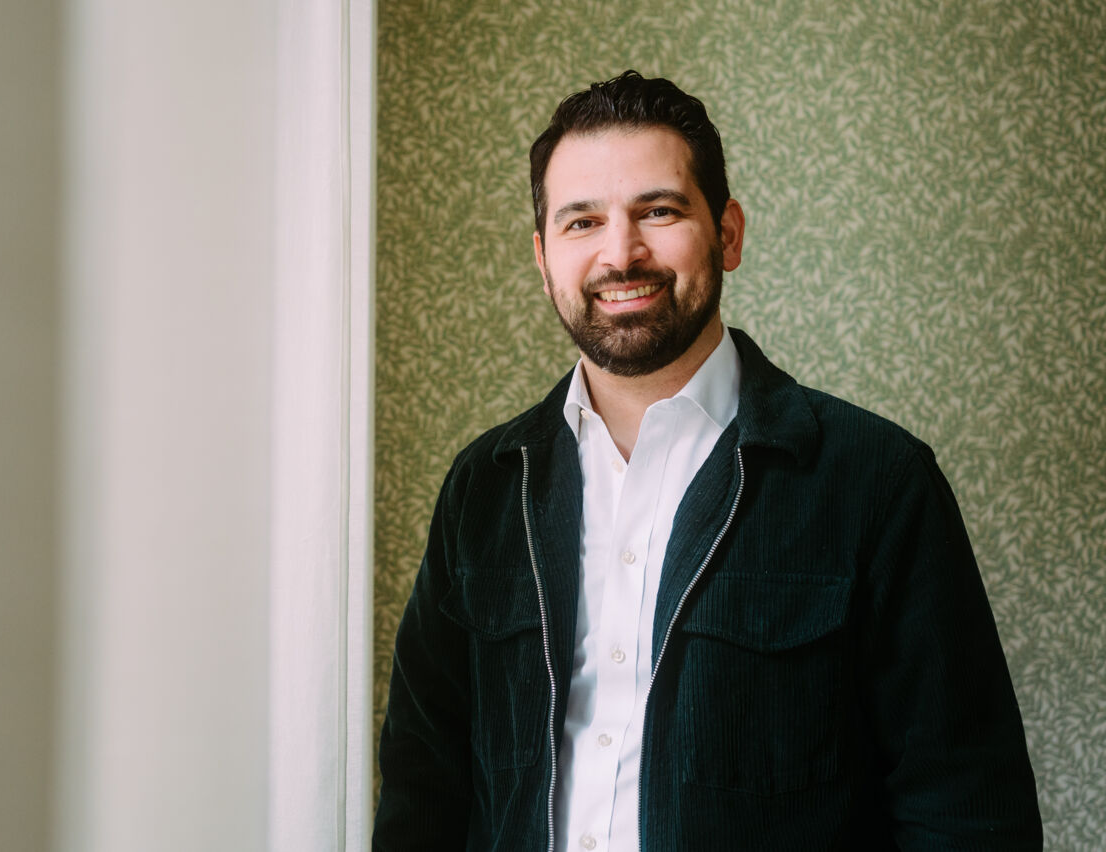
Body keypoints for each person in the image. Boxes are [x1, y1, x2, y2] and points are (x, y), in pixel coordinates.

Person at [372, 70, 1041, 851]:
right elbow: (424, 788)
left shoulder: (875, 481)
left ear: (727, 232)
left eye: (658, 211)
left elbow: (965, 806)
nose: (620, 254)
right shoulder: (485, 488)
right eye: (581, 222)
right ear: (543, 257)